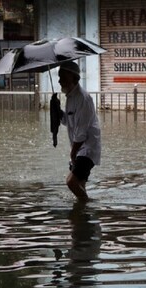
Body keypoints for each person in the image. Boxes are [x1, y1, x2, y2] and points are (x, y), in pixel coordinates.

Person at [54, 61, 101, 201]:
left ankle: (88, 206)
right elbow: (68, 122)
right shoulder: (70, 97)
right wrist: (57, 112)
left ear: (75, 78)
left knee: (71, 182)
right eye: (59, 76)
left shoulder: (83, 99)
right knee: (79, 185)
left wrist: (73, 153)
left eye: (63, 77)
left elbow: (81, 132)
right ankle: (81, 215)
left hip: (88, 149)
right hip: (80, 149)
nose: (60, 81)